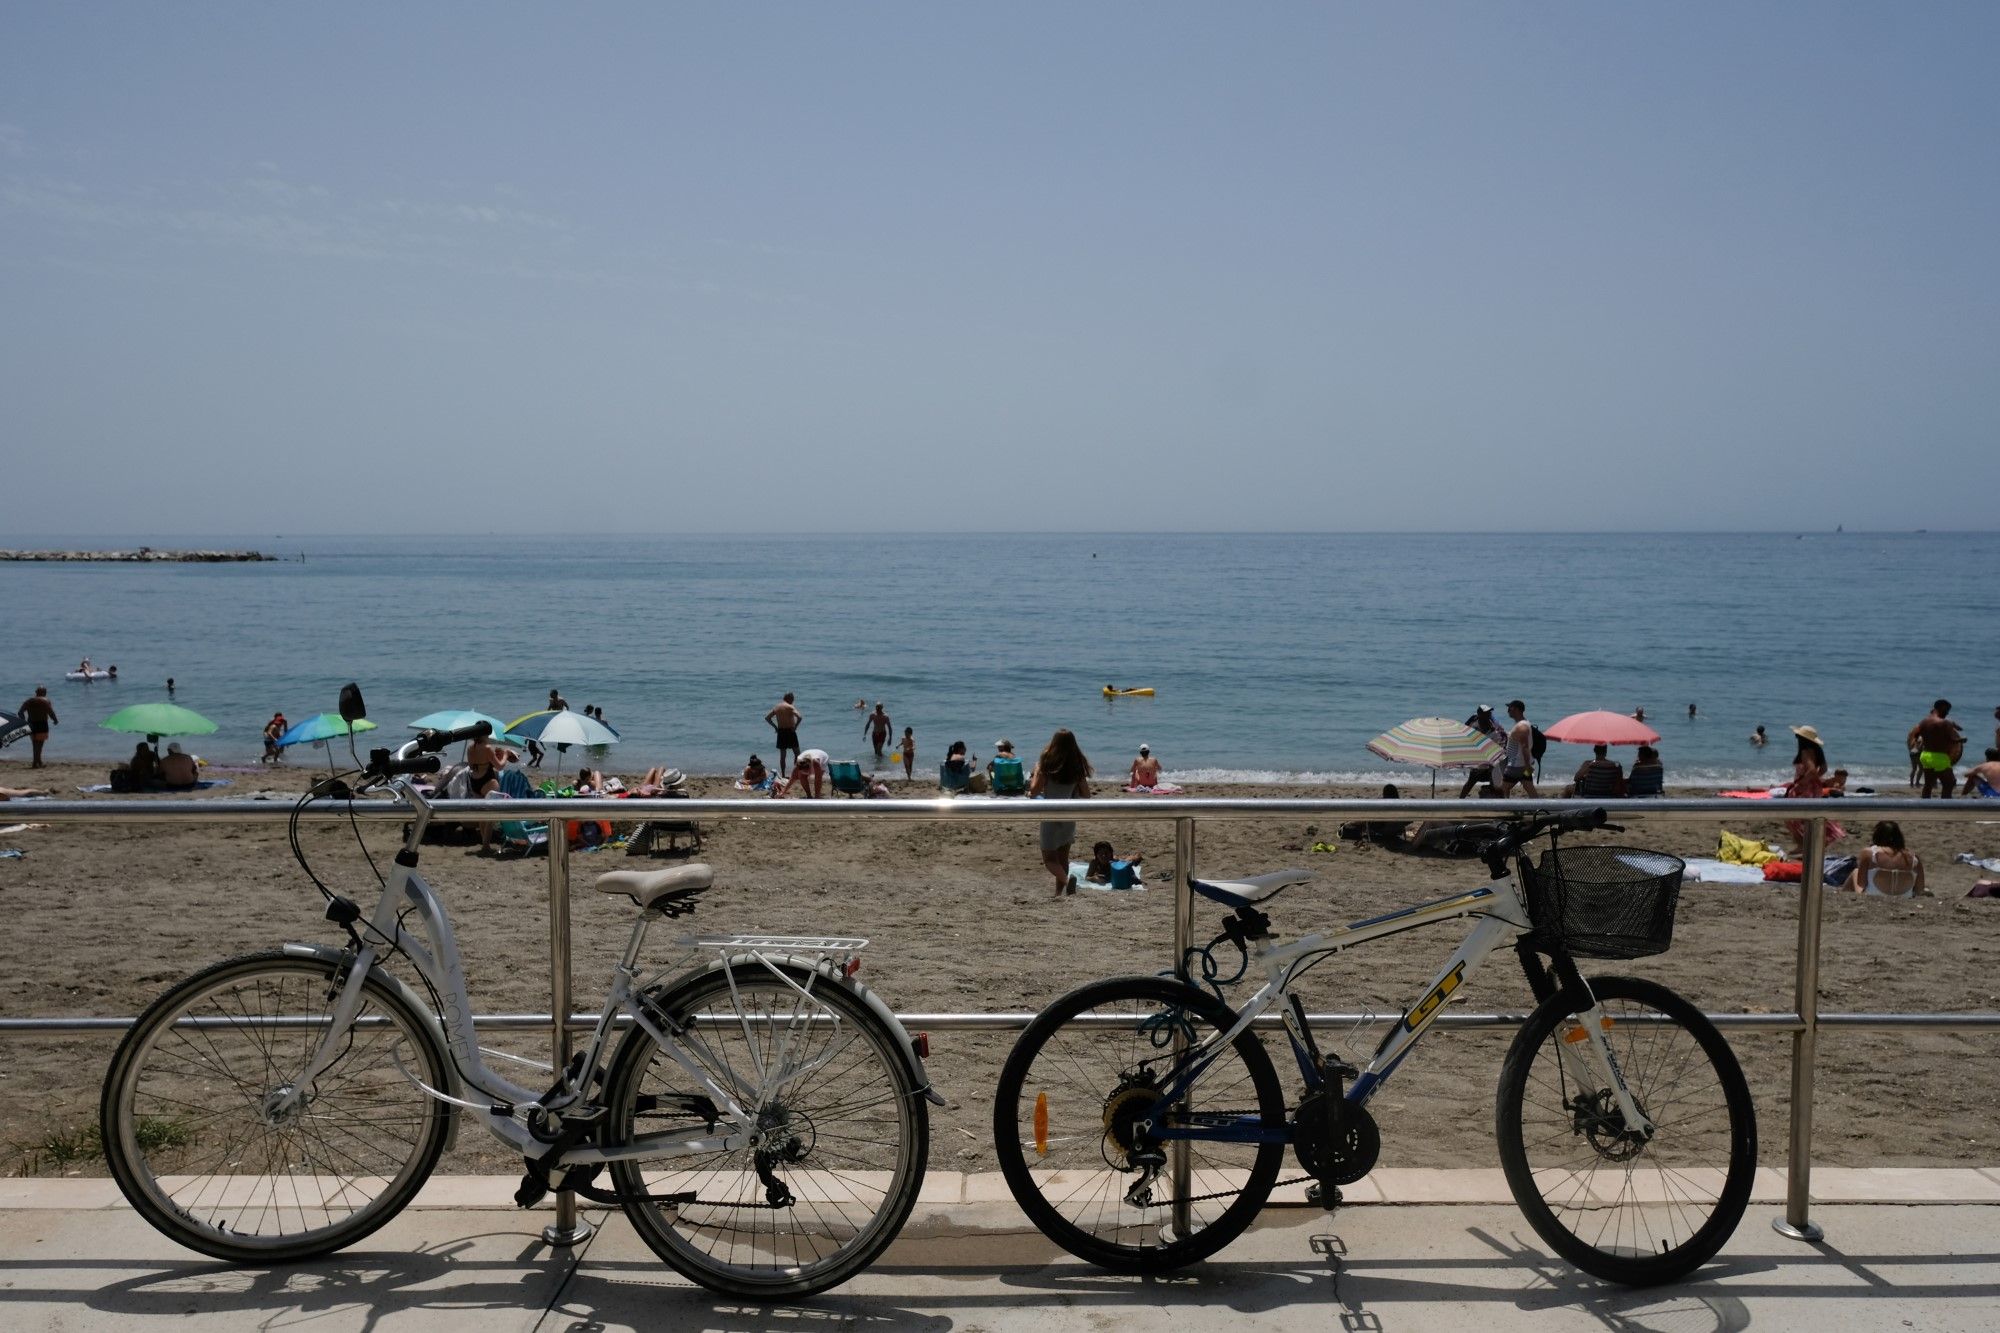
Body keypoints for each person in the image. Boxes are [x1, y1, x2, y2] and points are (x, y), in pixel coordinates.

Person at [1029, 729, 1093, 896]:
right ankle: (1060, 893)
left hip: (1050, 813)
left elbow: (1034, 791)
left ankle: (1065, 881)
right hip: (1069, 814)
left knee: (1049, 859)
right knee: (1063, 858)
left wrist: (1036, 772)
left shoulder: (1047, 764)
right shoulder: (1076, 767)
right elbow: (1086, 794)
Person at [1784, 725, 1845, 852]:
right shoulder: (1817, 750)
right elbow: (1823, 769)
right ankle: (1809, 843)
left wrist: (1802, 782)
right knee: (1808, 816)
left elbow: (1811, 770)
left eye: (1797, 736)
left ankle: (1802, 844)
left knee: (1791, 816)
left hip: (1804, 788)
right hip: (1814, 787)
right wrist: (1815, 780)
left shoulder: (1805, 751)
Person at [1828, 822, 1926, 897]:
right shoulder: (1914, 857)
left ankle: (1842, 896)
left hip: (1874, 893)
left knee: (1855, 872)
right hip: (1904, 895)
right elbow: (1919, 889)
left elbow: (1861, 883)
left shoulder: (1870, 852)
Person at [1907, 700, 1965, 799]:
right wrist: (1961, 740)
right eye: (1946, 711)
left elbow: (1916, 736)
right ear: (1941, 709)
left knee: (1928, 784)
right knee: (1949, 783)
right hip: (1939, 757)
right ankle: (1945, 806)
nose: (1947, 713)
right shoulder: (1944, 723)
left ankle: (1925, 805)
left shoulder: (1924, 722)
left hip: (1925, 755)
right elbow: (1952, 739)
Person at [466, 728, 511, 851]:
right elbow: (500, 766)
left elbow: (471, 765)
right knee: (491, 814)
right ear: (486, 733)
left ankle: (484, 843)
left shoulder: (471, 747)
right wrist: (506, 754)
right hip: (488, 780)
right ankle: (486, 845)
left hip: (474, 780)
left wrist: (490, 758)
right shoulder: (487, 747)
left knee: (481, 814)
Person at [1459, 705, 1507, 798]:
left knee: (1494, 779)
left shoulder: (1491, 723)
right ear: (1479, 714)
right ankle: (1460, 800)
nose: (1489, 714)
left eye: (1489, 712)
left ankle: (1498, 799)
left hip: (1490, 757)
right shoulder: (1475, 726)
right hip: (1478, 759)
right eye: (1486, 713)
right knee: (1472, 781)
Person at [1500, 700, 1539, 797]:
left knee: (1503, 788)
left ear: (1517, 709)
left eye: (1510, 707)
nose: (1508, 710)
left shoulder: (1521, 727)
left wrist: (1527, 766)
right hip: (1525, 764)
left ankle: (1506, 807)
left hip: (1516, 766)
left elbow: (1525, 747)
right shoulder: (1524, 724)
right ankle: (1539, 807)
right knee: (1529, 787)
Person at [16, 686, 57, 768]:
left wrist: (24, 722)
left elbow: (20, 712)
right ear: (44, 692)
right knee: (40, 744)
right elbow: (50, 712)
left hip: (31, 724)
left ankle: (37, 762)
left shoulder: (29, 701)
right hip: (42, 724)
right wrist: (55, 720)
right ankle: (37, 762)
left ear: (36, 692)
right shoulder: (46, 700)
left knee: (34, 744)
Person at [765, 692, 802, 778]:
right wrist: (795, 726)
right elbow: (799, 717)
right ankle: (796, 774)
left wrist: (775, 727)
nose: (793, 701)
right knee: (797, 753)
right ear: (789, 698)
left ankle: (783, 774)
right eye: (793, 699)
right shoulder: (790, 707)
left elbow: (767, 718)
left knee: (783, 755)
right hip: (790, 731)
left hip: (781, 732)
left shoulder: (777, 707)